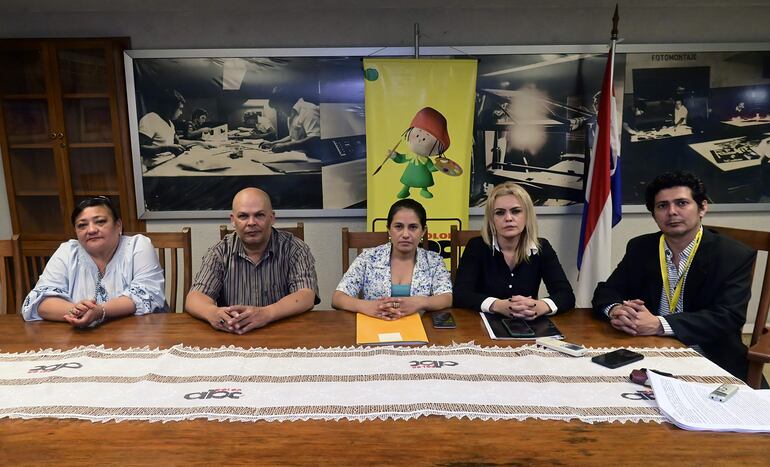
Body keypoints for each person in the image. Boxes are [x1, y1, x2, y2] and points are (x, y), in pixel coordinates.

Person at [592, 171, 756, 380]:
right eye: (662, 206)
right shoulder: (641, 247)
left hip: (708, 355)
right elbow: (607, 291)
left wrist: (659, 324)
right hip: (645, 350)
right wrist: (616, 310)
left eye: (681, 203)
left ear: (703, 207)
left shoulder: (733, 255)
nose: (672, 212)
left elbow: (728, 316)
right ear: (654, 214)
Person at [185, 188, 319, 333]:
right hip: (234, 335)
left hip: (283, 334)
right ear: (233, 220)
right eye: (243, 216)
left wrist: (266, 314)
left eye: (259, 215)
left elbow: (306, 296)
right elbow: (195, 298)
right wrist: (212, 313)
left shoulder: (295, 249)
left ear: (272, 218)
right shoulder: (219, 252)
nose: (251, 223)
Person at [21, 196, 166, 326]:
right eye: (82, 225)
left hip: (139, 335)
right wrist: (74, 310)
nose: (91, 230)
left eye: (100, 222)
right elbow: (39, 301)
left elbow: (146, 294)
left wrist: (101, 311)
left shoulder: (137, 246)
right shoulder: (67, 251)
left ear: (118, 225)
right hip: (80, 339)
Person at [453, 182, 574, 318]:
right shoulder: (477, 246)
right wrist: (497, 305)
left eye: (516, 211)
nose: (508, 218)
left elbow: (566, 295)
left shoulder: (542, 247)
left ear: (527, 215)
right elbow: (460, 294)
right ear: (492, 220)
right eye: (500, 213)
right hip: (483, 325)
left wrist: (539, 307)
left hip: (528, 323)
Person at [332, 199, 452, 320]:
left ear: (423, 231)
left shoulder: (434, 261)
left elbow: (446, 298)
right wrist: (365, 306)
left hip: (419, 329)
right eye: (398, 226)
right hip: (375, 327)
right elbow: (338, 298)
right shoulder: (368, 258)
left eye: (413, 227)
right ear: (389, 229)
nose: (405, 234)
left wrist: (421, 302)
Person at [259, 87, 321, 154]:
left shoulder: (308, 110)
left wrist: (286, 146)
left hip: (312, 157)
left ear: (285, 102)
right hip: (299, 155)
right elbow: (292, 137)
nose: (280, 113)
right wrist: (273, 143)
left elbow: (315, 139)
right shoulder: (291, 114)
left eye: (279, 109)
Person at [138, 88, 188, 158]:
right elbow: (139, 149)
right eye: (180, 108)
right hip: (156, 165)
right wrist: (166, 148)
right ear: (170, 107)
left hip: (169, 161)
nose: (181, 113)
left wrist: (199, 143)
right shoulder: (150, 119)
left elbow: (178, 142)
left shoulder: (170, 123)